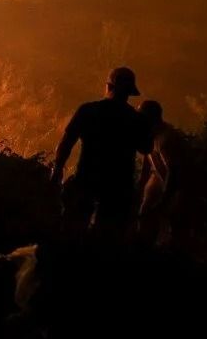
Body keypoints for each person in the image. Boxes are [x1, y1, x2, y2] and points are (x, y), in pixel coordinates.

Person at [51, 67, 153, 239]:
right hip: (119, 185)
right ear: (130, 92)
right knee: (107, 238)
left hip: (87, 178)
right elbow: (146, 148)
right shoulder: (136, 119)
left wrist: (57, 169)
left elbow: (67, 142)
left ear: (109, 86)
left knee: (73, 231)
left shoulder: (88, 110)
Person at [136, 100, 194, 248]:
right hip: (159, 183)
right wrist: (140, 187)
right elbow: (148, 163)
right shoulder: (152, 136)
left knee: (176, 227)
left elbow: (174, 171)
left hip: (178, 187)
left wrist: (164, 199)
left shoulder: (166, 139)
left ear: (148, 118)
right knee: (146, 218)